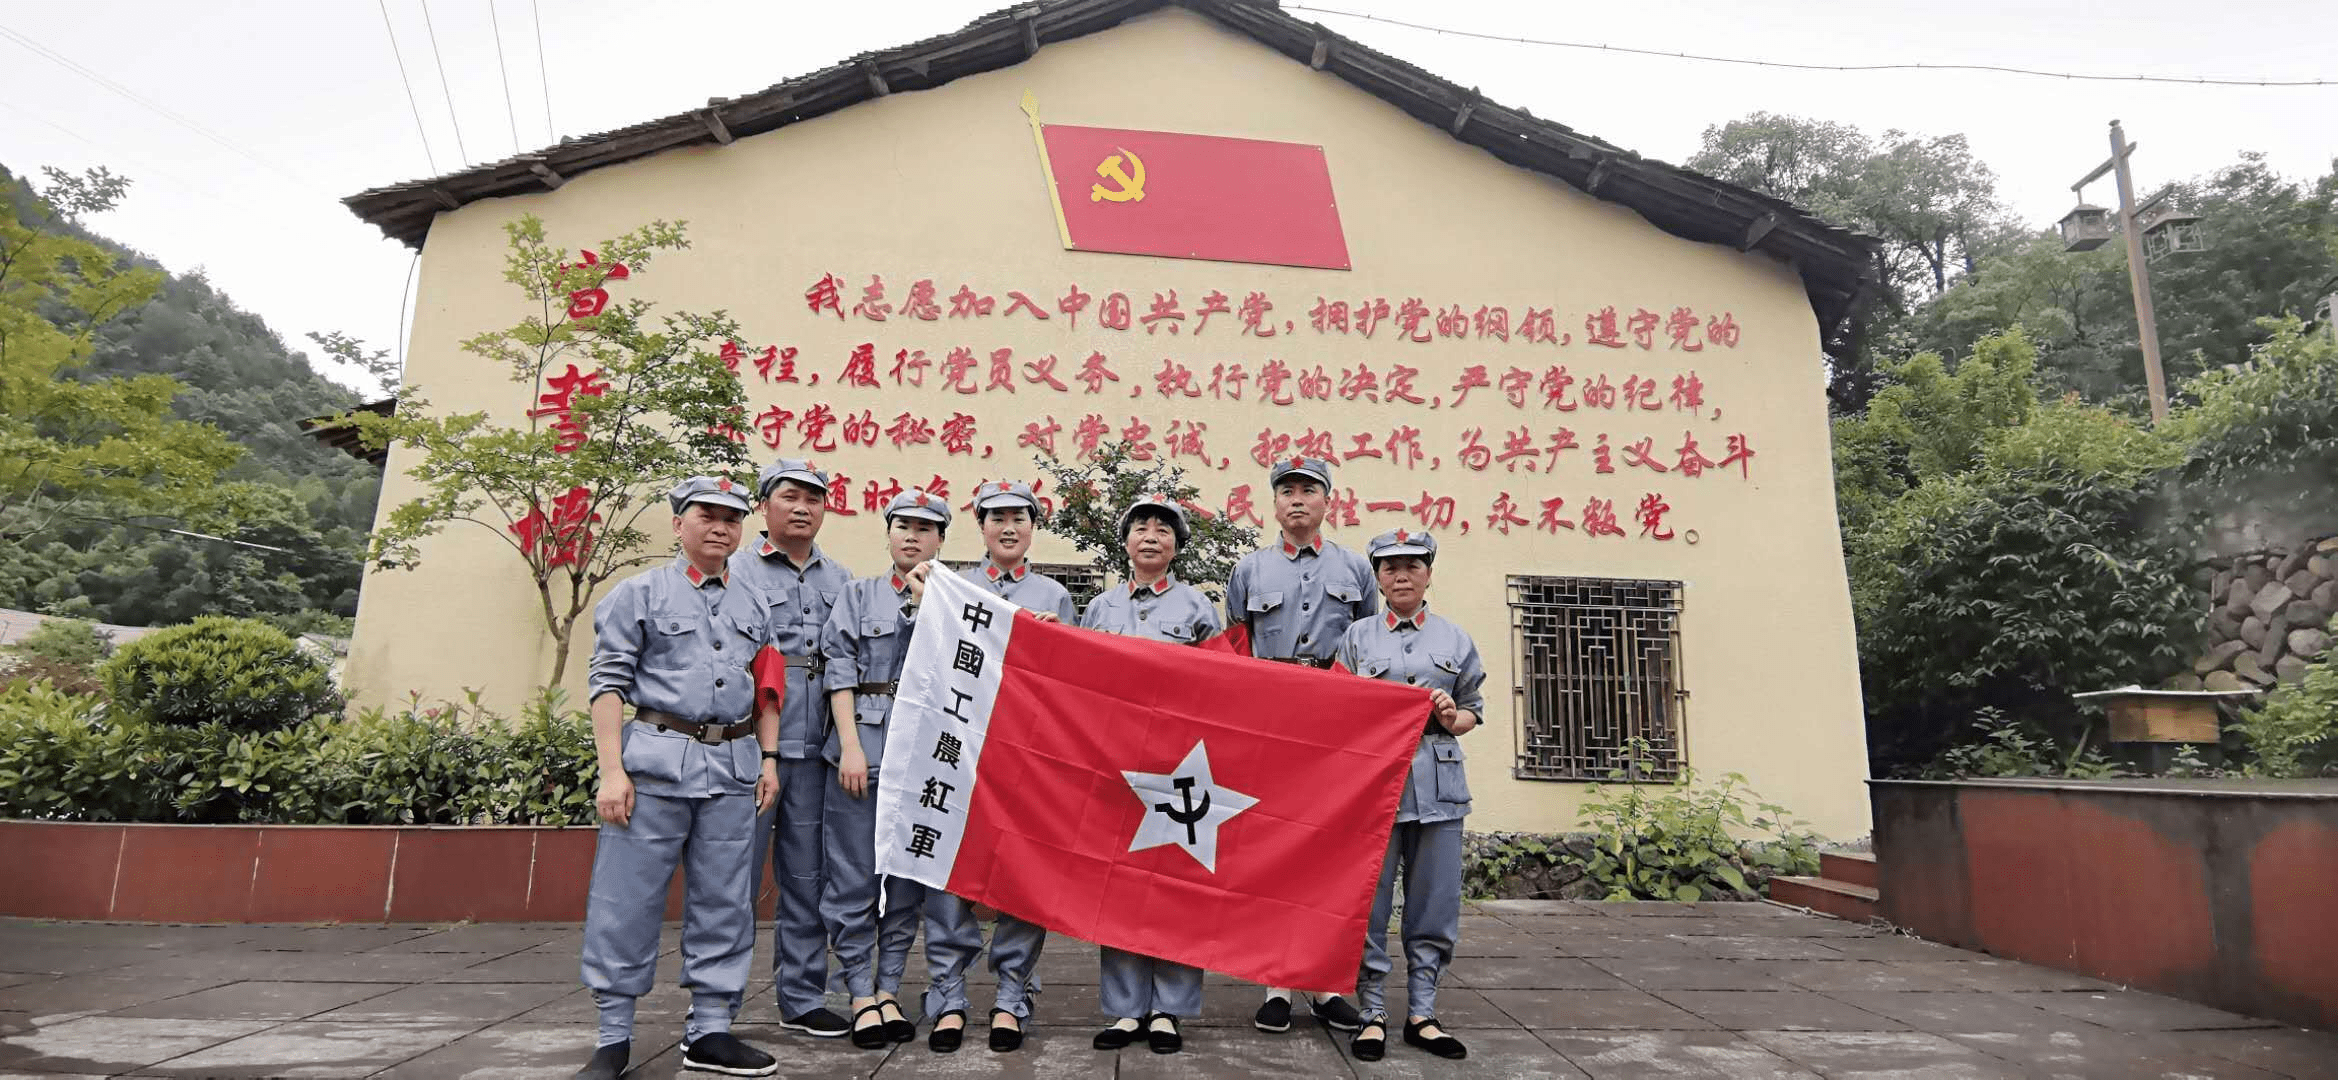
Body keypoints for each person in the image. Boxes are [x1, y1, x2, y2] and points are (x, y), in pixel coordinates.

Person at [575, 476, 782, 1080]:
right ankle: (613, 1037)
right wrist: (610, 770)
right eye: (706, 515)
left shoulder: (754, 602)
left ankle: (710, 1029)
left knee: (725, 901)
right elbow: (608, 685)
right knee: (626, 901)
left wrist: (768, 760)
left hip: (733, 768)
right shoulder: (636, 595)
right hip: (656, 766)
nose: (720, 526)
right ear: (678, 524)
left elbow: (768, 688)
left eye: (731, 517)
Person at [913, 480, 1074, 1054]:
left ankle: (1012, 993)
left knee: (1023, 877)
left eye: (1019, 517)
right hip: (959, 752)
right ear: (980, 526)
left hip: (1026, 759)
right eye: (996, 517)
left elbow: (1071, 684)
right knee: (948, 869)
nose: (1008, 527)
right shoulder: (952, 589)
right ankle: (949, 995)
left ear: (1034, 526)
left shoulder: (1056, 595)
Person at [1221, 455, 1377, 1035]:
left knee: (1329, 849)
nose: (1296, 499)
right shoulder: (1250, 570)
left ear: (1326, 501)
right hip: (1271, 716)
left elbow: (1367, 645)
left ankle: (1327, 983)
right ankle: (1276, 986)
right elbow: (1238, 646)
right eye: (1286, 490)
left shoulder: (1357, 569)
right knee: (1271, 844)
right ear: (1275, 503)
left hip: (1334, 722)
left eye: (1308, 490)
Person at [818, 490, 960, 1051]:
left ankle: (890, 987)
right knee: (853, 878)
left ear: (941, 541)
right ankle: (858, 991)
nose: (914, 536)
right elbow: (840, 673)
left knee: (906, 883)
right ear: (889, 532)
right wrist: (850, 745)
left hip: (925, 758)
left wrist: (930, 606)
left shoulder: (953, 601)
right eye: (904, 526)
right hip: (865, 750)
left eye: (927, 529)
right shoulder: (858, 594)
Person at [1079, 493, 1220, 1055]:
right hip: (1116, 764)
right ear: (1127, 539)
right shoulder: (1100, 609)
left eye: (1164, 528)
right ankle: (1125, 1009)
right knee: (1118, 884)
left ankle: (1169, 1009)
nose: (1151, 536)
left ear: (1177, 544)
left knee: (1176, 885)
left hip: (1179, 766)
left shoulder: (1198, 608)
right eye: (1141, 526)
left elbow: (1221, 687)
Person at [1334, 528, 1481, 1062]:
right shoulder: (1357, 639)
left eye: (1411, 566)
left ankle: (1423, 1011)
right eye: (1390, 567)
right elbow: (1341, 709)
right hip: (1376, 789)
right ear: (1376, 577)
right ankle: (1371, 1010)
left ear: (1428, 574)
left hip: (1439, 786)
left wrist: (1449, 717)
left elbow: (1472, 711)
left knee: (1434, 905)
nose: (1400, 575)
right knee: (1369, 906)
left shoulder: (1455, 638)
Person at [728, 458, 852, 1037]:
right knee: (732, 879)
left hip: (818, 749)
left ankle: (802, 997)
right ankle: (715, 1008)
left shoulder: (843, 580)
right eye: (790, 496)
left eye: (814, 498)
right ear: (763, 506)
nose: (803, 507)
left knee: (808, 878)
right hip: (747, 750)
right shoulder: (733, 570)